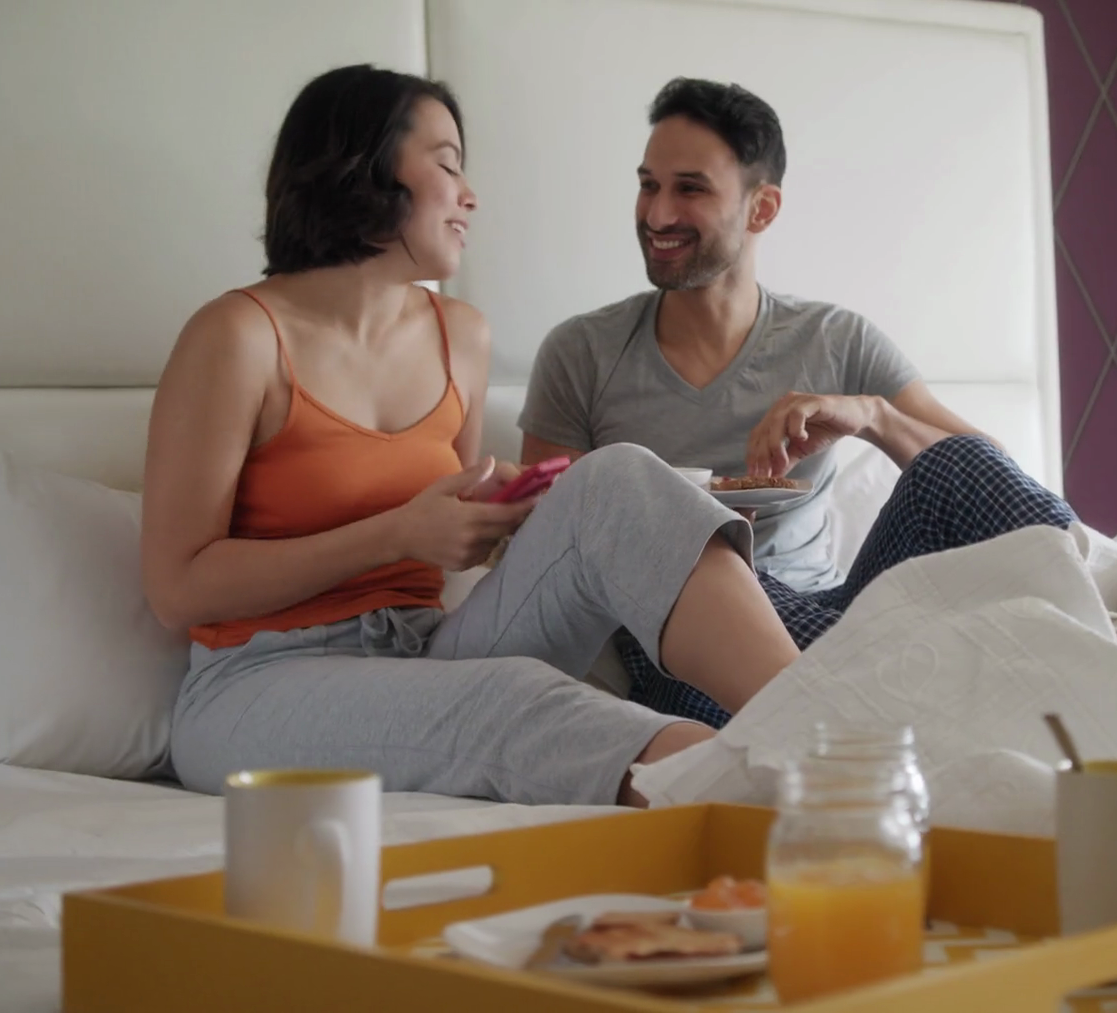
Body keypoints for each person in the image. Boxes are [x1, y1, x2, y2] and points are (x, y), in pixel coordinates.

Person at [139, 65, 801, 808]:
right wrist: (398, 532)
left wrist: (498, 513)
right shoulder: (236, 336)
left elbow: (463, 546)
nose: (470, 195)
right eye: (448, 165)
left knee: (616, 478)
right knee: (513, 698)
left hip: (422, 649)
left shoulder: (461, 336)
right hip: (255, 686)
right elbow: (177, 588)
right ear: (364, 164)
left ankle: (825, 728)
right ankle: (794, 796)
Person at [519, 78, 1078, 728]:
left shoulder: (835, 339)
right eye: (648, 185)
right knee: (748, 598)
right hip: (688, 646)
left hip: (839, 614)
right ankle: (915, 697)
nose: (657, 214)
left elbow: (988, 479)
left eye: (689, 189)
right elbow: (550, 550)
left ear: (762, 209)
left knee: (958, 467)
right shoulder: (581, 353)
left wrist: (873, 416)